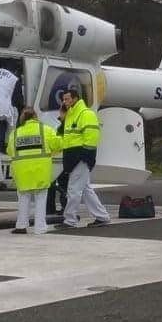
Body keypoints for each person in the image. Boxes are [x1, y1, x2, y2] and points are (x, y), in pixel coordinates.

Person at [56, 86, 110, 228]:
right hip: (74, 158)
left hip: (80, 157)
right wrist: (62, 118)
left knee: (73, 190)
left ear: (75, 99)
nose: (65, 101)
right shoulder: (71, 115)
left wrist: (86, 156)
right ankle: (102, 216)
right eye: (63, 99)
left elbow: (92, 137)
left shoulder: (86, 114)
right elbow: (63, 136)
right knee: (85, 190)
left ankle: (69, 220)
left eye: (67, 99)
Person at [6, 106, 59, 234]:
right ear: (36, 116)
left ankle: (21, 226)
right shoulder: (45, 130)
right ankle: (39, 228)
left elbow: (10, 151)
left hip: (22, 172)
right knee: (40, 199)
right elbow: (57, 145)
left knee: (23, 199)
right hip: (40, 170)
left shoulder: (16, 133)